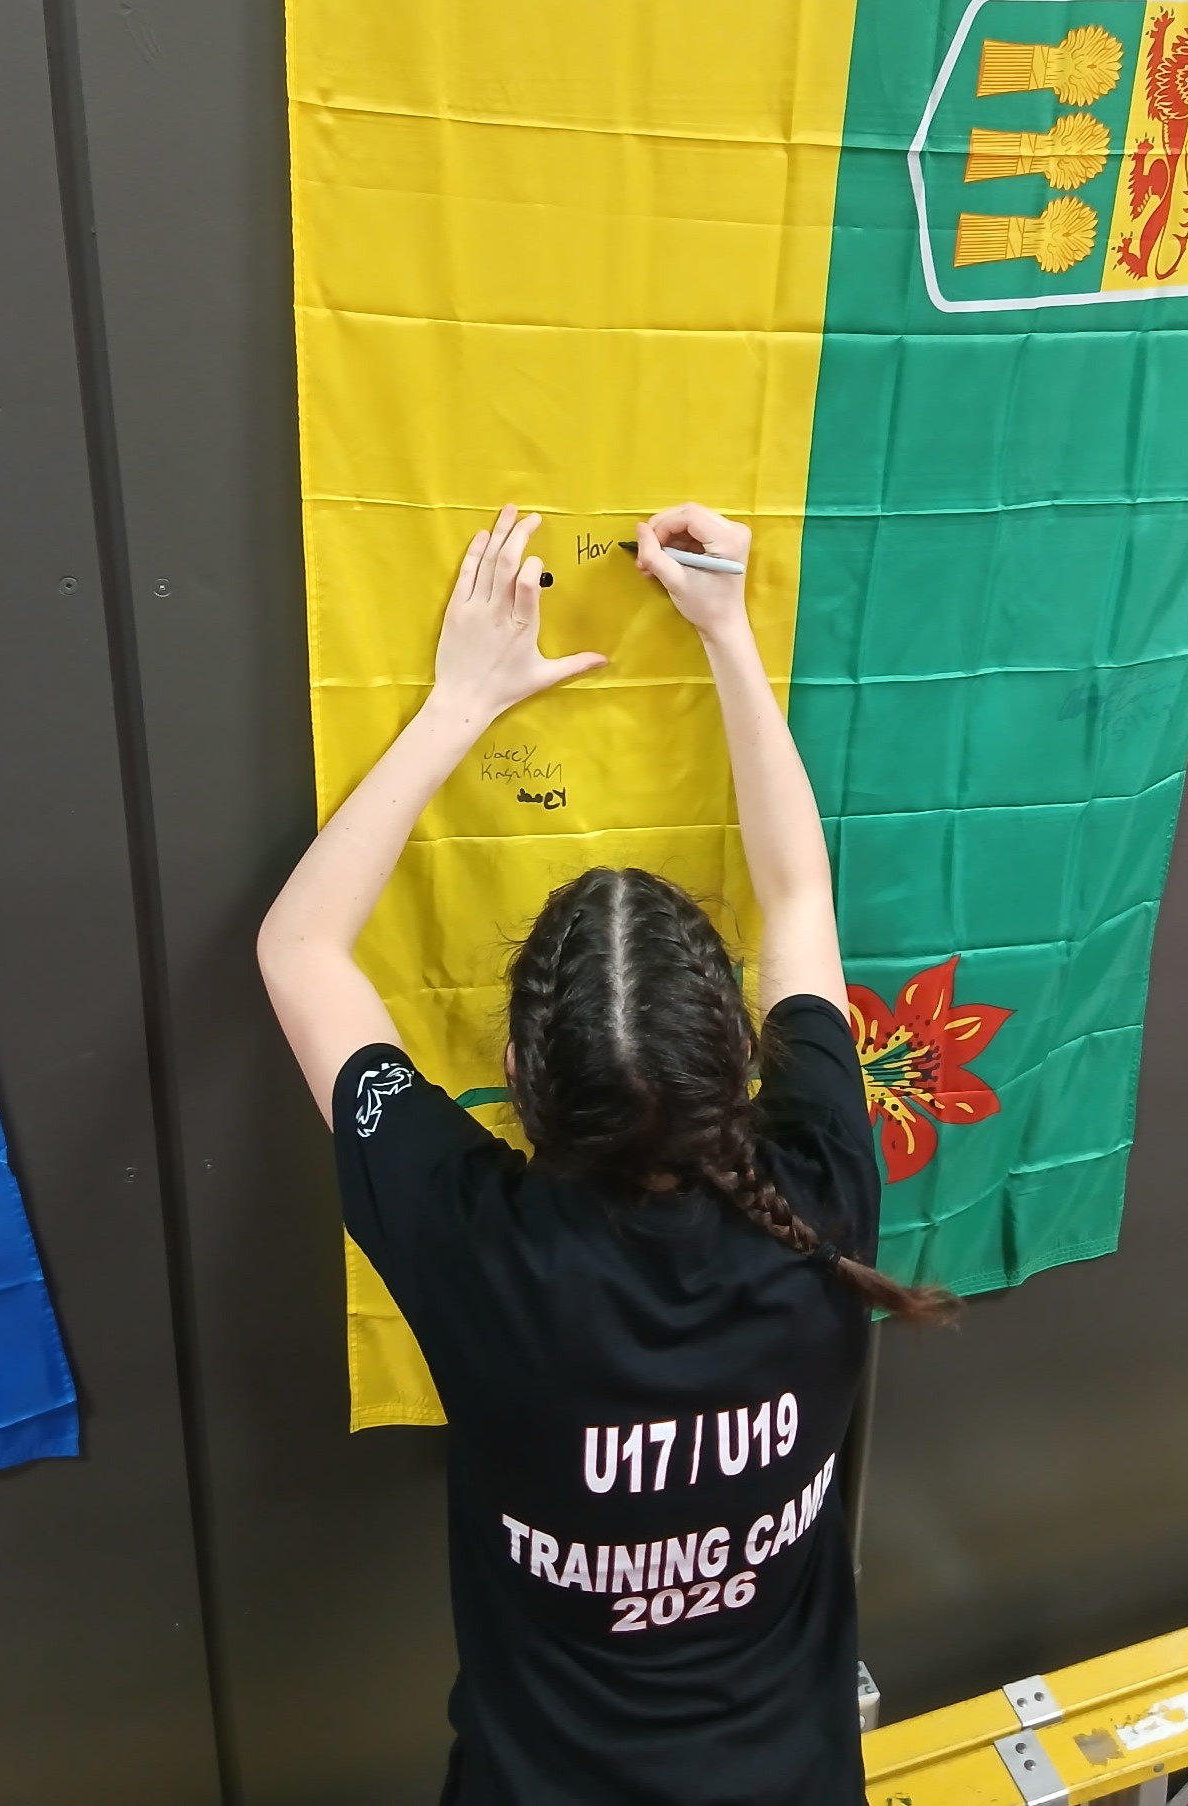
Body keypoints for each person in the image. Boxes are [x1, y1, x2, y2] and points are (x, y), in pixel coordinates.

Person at [258, 502, 954, 1806]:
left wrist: (460, 703)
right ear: (746, 1059)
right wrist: (728, 632)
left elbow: (299, 950)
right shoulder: (820, 1194)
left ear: (516, 1080)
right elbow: (800, 899)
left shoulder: (476, 1242)